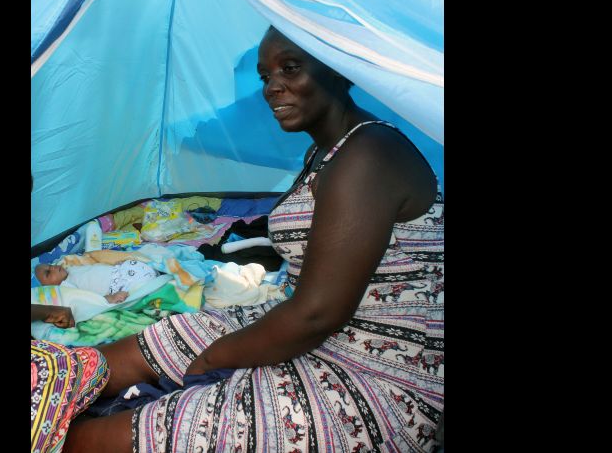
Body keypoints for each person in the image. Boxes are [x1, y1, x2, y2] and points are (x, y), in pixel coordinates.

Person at [61, 26, 444, 453]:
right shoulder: (324, 152)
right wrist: (218, 349)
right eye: (265, 76)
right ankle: (48, 387)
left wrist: (214, 359)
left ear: (338, 68)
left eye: (290, 68)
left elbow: (317, 314)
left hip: (380, 375)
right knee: (157, 342)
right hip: (317, 331)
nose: (272, 87)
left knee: (115, 437)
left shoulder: (370, 154)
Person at [35, 260, 159, 305]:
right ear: (46, 289)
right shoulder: (66, 288)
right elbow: (85, 300)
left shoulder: (70, 269)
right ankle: (154, 283)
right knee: (141, 287)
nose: (53, 267)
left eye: (50, 265)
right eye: (48, 273)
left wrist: (114, 267)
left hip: (119, 271)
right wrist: (109, 298)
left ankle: (155, 273)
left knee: (144, 267)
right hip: (117, 286)